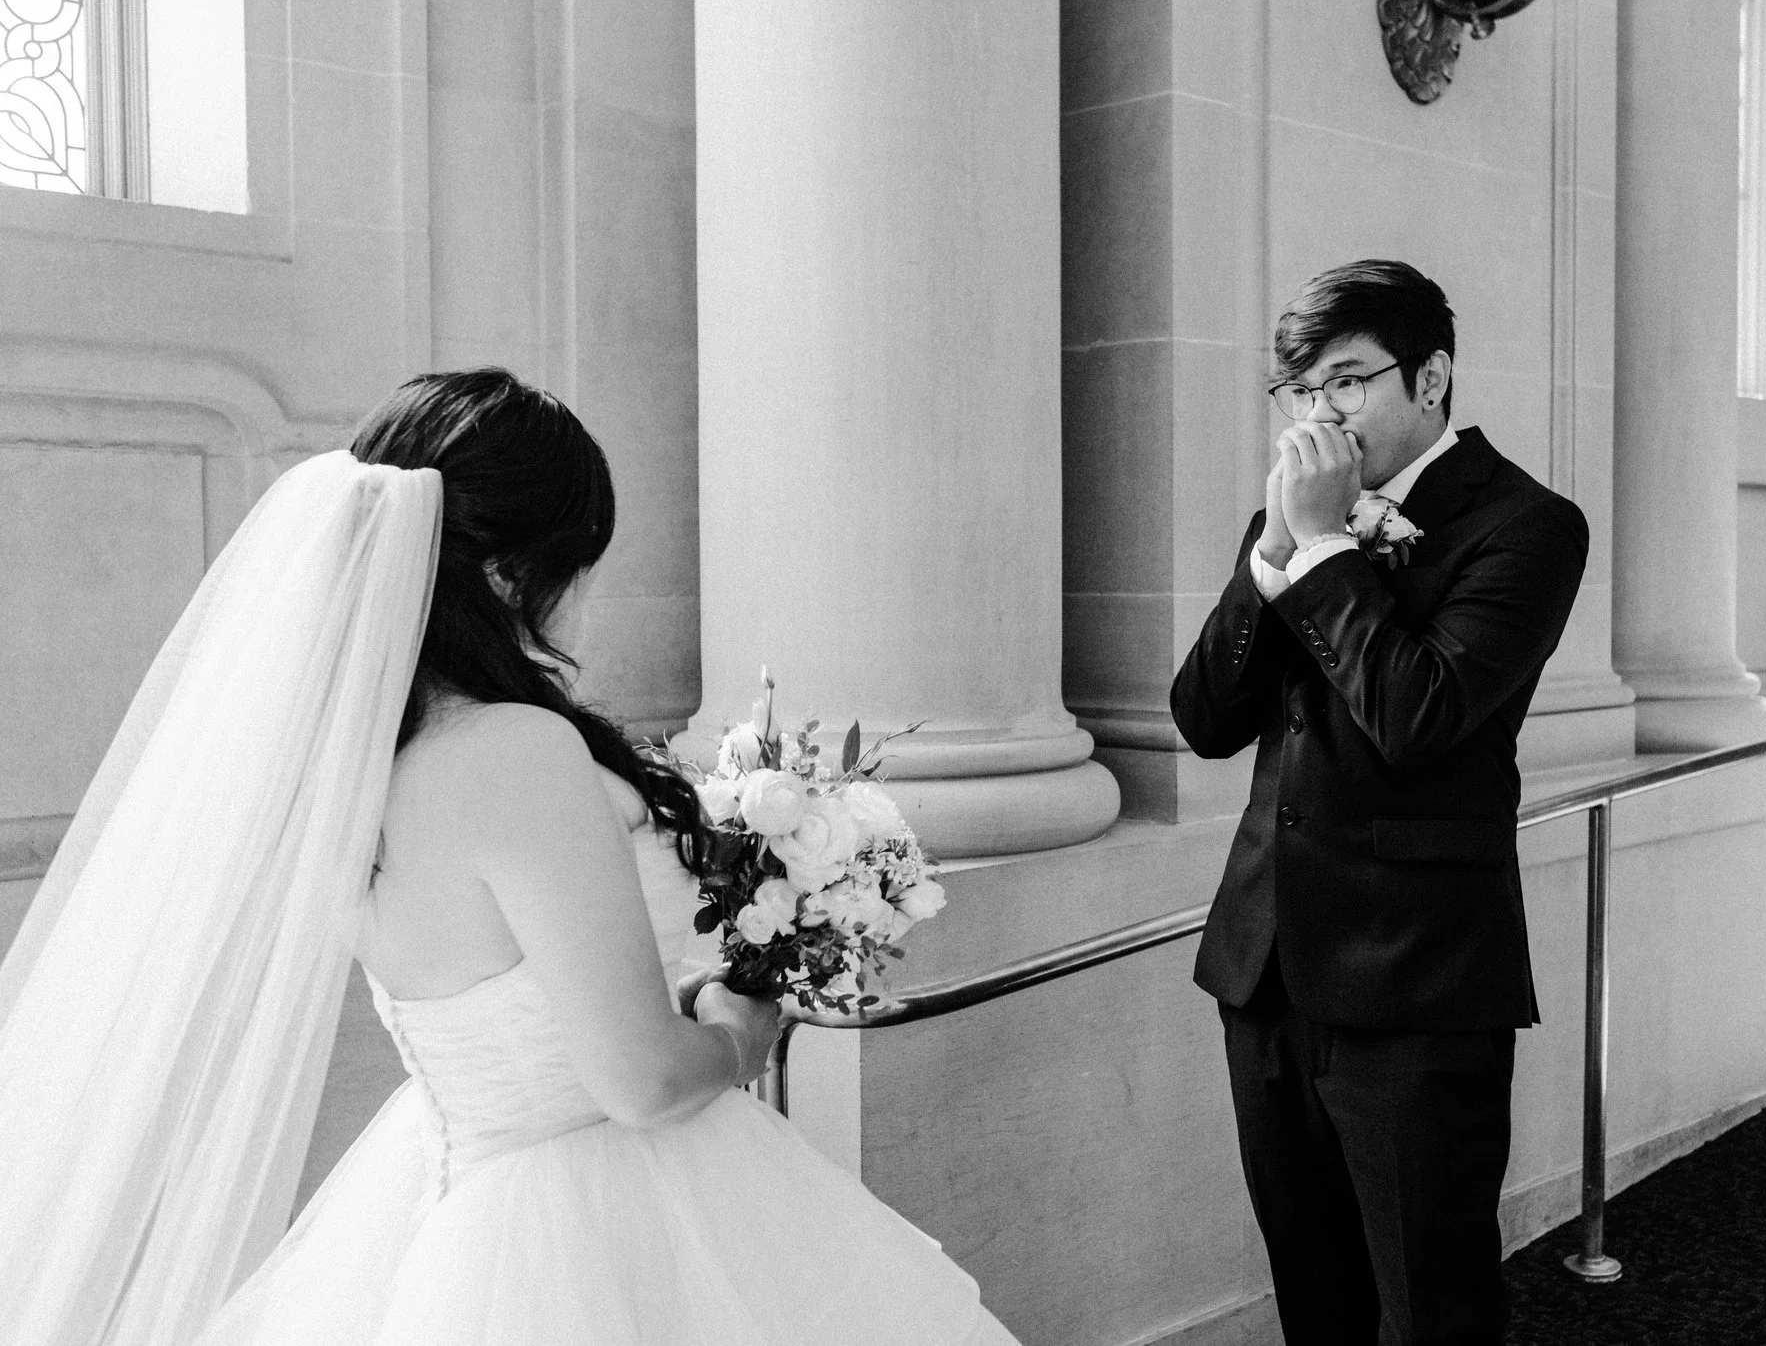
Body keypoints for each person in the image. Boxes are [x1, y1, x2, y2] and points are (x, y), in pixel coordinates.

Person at [0, 368, 1020, 1345]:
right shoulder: (511, 752)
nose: (579, 600)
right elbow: (642, 1084)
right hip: (606, 1208)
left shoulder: (340, 762)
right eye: (577, 565)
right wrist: (737, 1030)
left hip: (453, 1190)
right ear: (505, 573)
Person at [1170, 261, 1588, 1344]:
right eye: (1300, 391)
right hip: (1263, 972)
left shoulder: (1528, 526)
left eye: (1346, 383)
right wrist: (1271, 554)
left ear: (1432, 376)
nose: (1319, 416)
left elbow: (1419, 714)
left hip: (1416, 982)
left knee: (1428, 1306)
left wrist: (1314, 548)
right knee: (1313, 1296)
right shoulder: (1295, 520)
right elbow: (1204, 719)